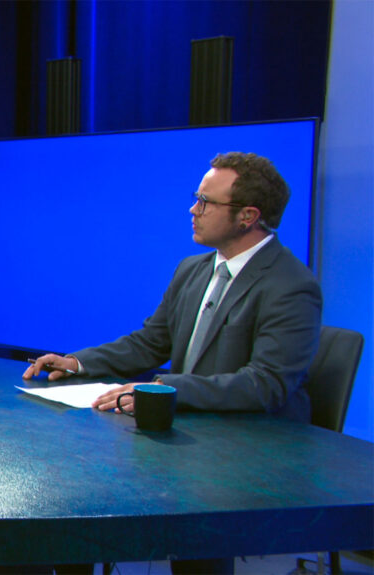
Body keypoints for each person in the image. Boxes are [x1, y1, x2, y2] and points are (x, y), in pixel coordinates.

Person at [24, 152, 322, 575]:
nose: (192, 209)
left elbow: (267, 384)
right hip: (189, 432)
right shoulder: (193, 269)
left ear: (248, 216)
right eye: (195, 198)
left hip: (250, 450)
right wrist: (77, 363)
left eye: (205, 202)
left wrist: (163, 391)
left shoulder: (291, 284)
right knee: (76, 484)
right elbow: (151, 342)